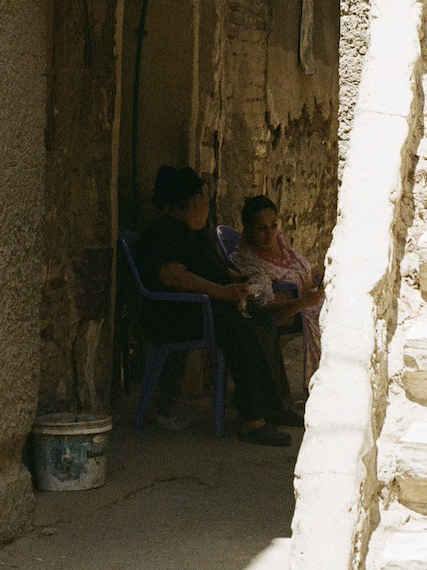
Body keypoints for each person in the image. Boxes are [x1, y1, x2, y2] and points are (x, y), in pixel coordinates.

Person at [133, 166, 299, 445]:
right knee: (241, 331)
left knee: (263, 321)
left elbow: (206, 268)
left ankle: (274, 405)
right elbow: (172, 275)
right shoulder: (167, 232)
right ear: (196, 201)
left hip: (200, 309)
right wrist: (222, 292)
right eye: (206, 200)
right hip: (177, 314)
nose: (207, 207)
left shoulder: (189, 232)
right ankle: (251, 420)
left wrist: (237, 280)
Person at [230, 196, 323, 389]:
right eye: (261, 229)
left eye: (273, 225)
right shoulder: (250, 262)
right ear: (248, 229)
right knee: (333, 320)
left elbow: (293, 273)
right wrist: (303, 303)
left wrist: (311, 275)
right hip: (293, 312)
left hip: (308, 298)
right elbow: (266, 311)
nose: (270, 233)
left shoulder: (279, 242)